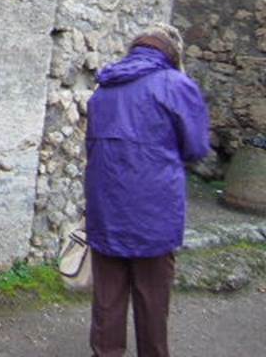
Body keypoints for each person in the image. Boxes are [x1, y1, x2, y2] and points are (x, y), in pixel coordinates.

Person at [85, 24, 210, 357]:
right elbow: (197, 148)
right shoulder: (177, 86)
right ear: (172, 53)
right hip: (155, 211)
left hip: (106, 206)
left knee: (107, 298)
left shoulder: (104, 87)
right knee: (152, 300)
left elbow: (92, 149)